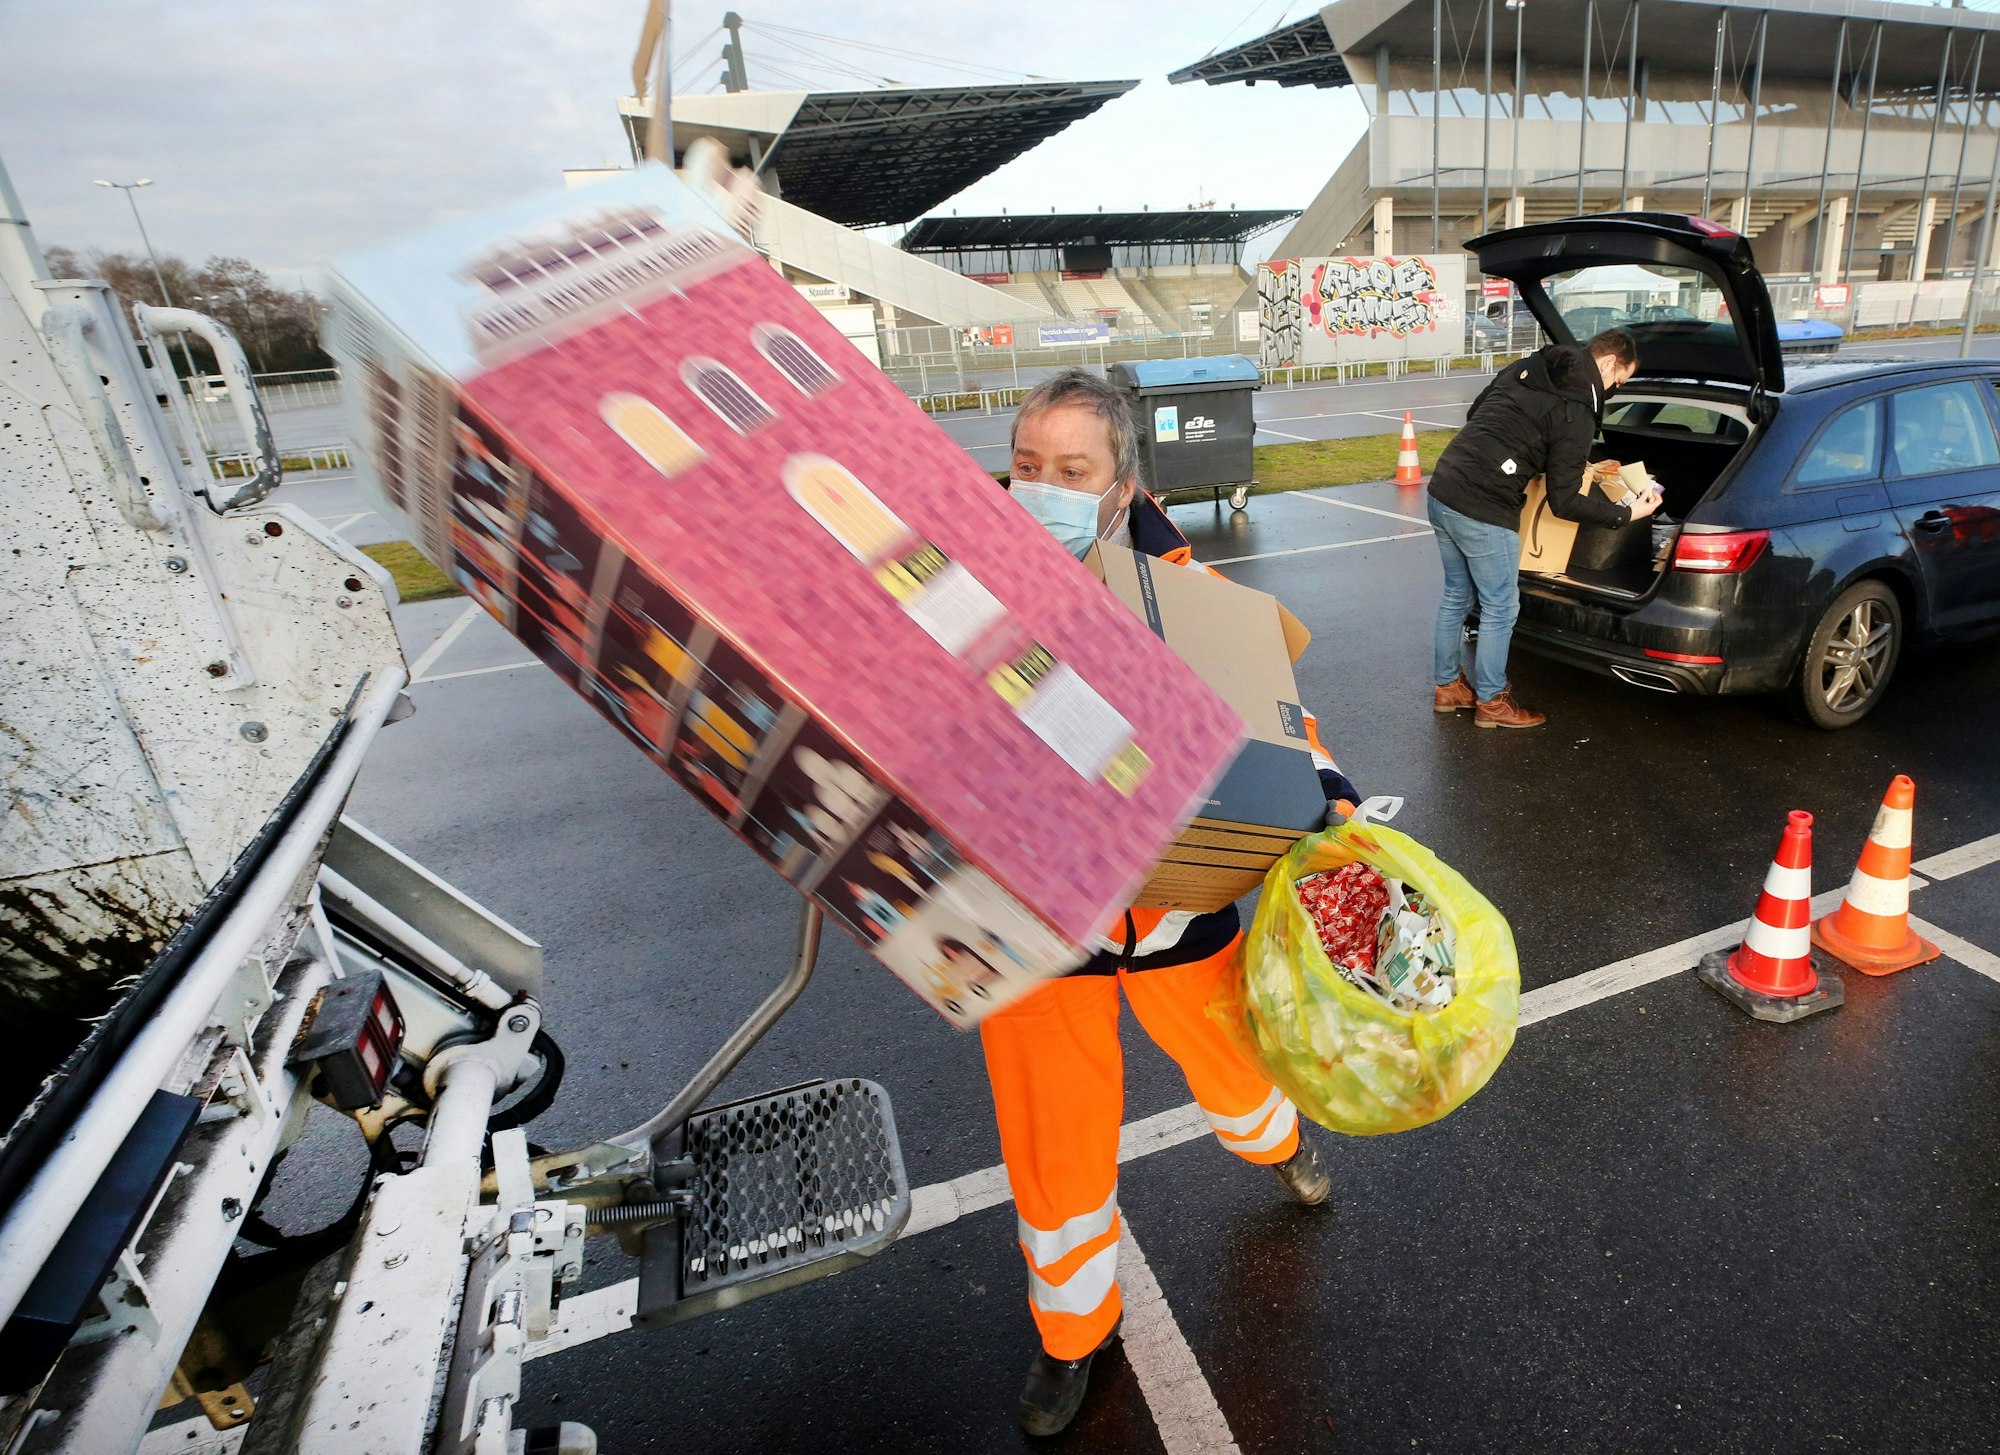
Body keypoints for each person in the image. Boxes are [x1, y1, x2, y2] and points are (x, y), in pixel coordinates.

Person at [989, 368, 1361, 1436]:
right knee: (1053, 1146)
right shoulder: (960, 577)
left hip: (1174, 912)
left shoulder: (1179, 587)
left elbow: (1280, 720)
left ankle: (1278, 1143)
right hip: (1038, 923)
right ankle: (1073, 1337)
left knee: (1237, 1068)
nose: (1043, 488)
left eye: (1070, 471)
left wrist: (1326, 796)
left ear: (1119, 487)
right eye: (1025, 467)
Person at [1424, 327, 1660, 729]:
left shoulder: (1531, 366)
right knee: (1501, 606)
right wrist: (1627, 514)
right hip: (1484, 507)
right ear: (1606, 363)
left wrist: (1526, 452)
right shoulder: (1578, 409)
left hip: (1444, 486)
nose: (1615, 390)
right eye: (1619, 381)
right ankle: (1492, 703)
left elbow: (1477, 412)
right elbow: (1564, 501)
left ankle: (1448, 688)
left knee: (1456, 595)